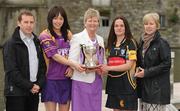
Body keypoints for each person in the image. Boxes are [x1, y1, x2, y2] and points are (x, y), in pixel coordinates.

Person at [39, 6, 84, 111]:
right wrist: (73, 64)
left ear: (64, 20)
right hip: (50, 80)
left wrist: (71, 67)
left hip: (66, 79)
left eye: (61, 18)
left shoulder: (68, 34)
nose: (58, 21)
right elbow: (55, 56)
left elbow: (77, 52)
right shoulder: (45, 35)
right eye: (55, 18)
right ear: (50, 19)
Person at [3, 10, 46, 111]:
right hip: (16, 94)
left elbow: (42, 67)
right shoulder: (11, 44)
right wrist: (30, 86)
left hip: (33, 92)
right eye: (25, 22)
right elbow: (11, 71)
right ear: (19, 23)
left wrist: (39, 84)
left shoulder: (37, 42)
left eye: (31, 22)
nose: (29, 25)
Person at [68, 8, 105, 111]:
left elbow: (103, 60)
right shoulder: (77, 38)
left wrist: (102, 67)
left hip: (97, 81)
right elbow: (71, 60)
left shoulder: (101, 39)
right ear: (85, 23)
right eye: (90, 20)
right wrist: (81, 67)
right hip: (81, 81)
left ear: (98, 23)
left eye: (95, 20)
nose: (92, 23)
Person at [135, 12, 171, 111]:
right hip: (144, 89)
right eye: (146, 24)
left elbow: (166, 65)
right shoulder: (141, 42)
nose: (148, 26)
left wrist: (146, 73)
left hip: (156, 91)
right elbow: (140, 62)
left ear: (157, 25)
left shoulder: (162, 43)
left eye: (151, 24)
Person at [101, 16, 138, 111]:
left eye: (122, 25)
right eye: (116, 26)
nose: (119, 28)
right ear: (113, 28)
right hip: (113, 85)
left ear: (126, 28)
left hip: (127, 86)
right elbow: (106, 62)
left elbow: (128, 65)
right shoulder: (110, 44)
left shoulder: (131, 43)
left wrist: (108, 68)